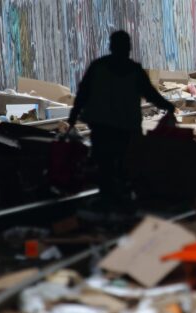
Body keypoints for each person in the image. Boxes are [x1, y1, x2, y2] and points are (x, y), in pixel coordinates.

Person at [68, 30, 175, 205]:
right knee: (128, 164)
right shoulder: (134, 70)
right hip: (127, 129)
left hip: (102, 128)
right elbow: (151, 95)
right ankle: (124, 196)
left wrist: (72, 117)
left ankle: (108, 197)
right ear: (128, 48)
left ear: (111, 47)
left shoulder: (98, 66)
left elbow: (82, 93)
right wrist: (168, 106)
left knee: (105, 165)